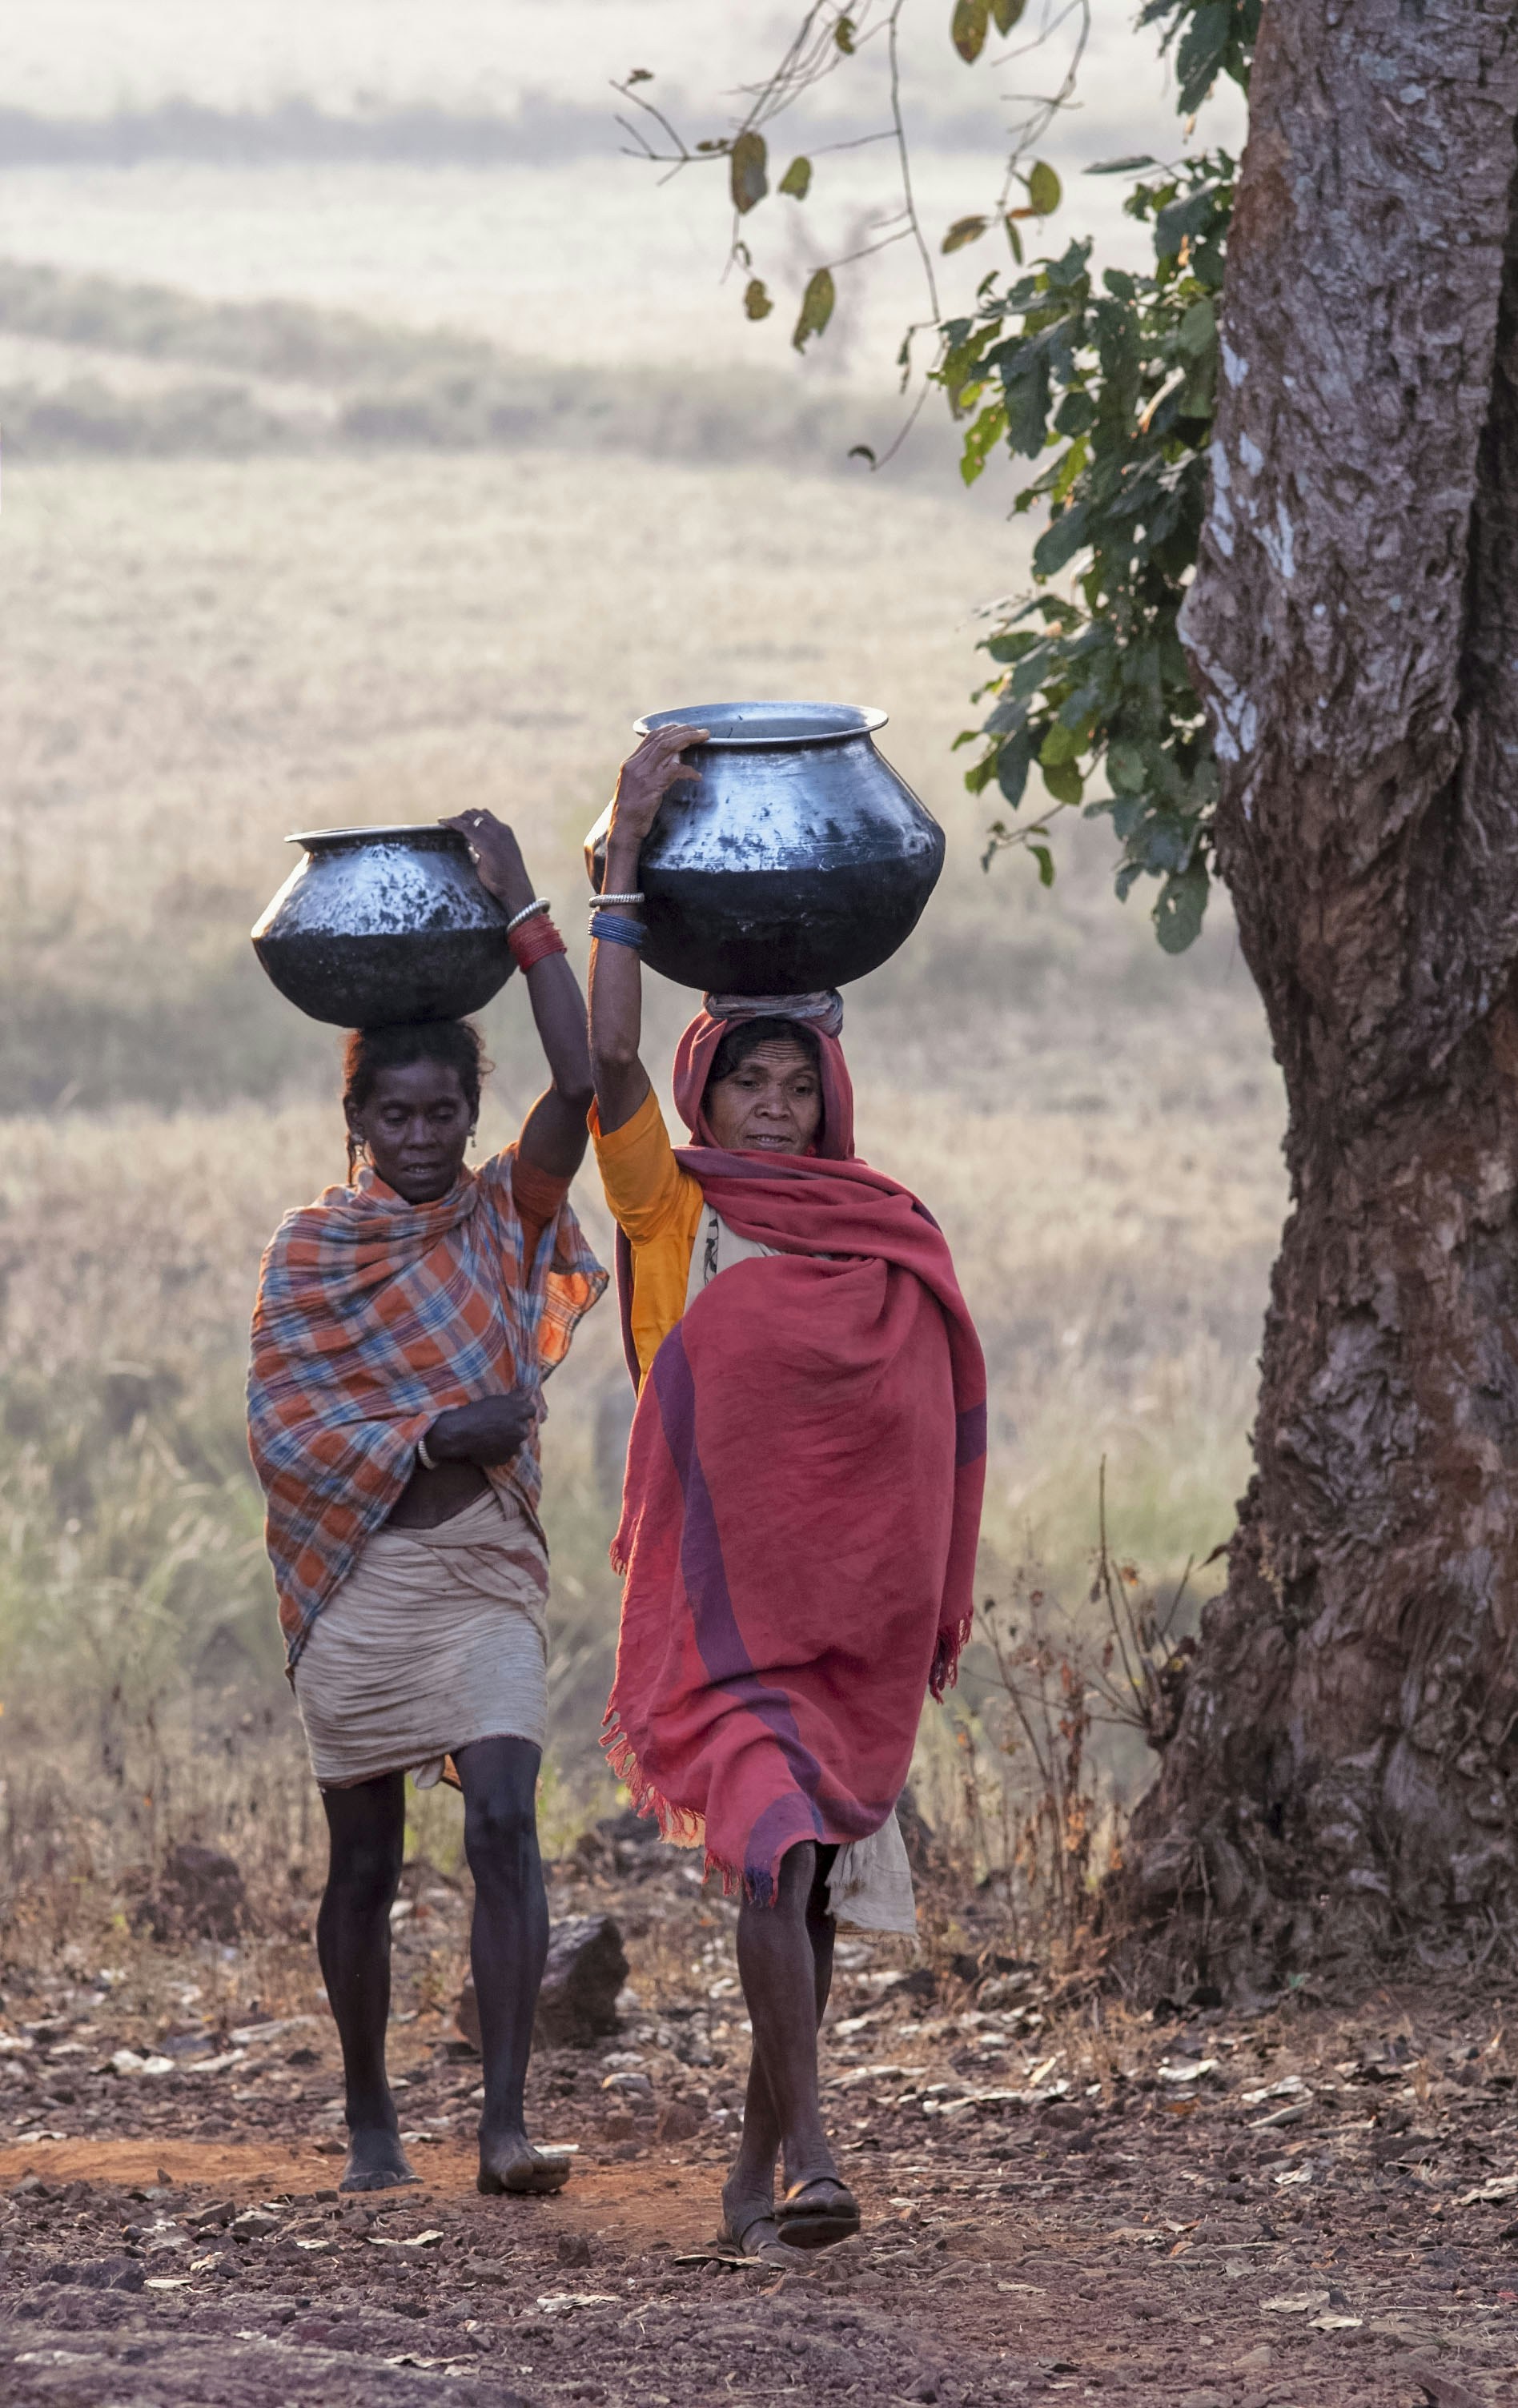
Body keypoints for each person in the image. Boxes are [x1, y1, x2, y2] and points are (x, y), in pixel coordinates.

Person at [584, 724, 987, 2258]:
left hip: (856, 1628)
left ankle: (754, 2180)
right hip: (723, 1620)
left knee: (804, 1889)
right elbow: (609, 1061)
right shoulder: (670, 1205)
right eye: (744, 1082)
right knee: (772, 1848)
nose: (771, 1106)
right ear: (708, 1093)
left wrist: (918, 1593)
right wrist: (622, 861)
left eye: (793, 1084)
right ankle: (815, 2154)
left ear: (830, 1099)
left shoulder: (889, 1230)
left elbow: (930, 1426)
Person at [247, 809, 606, 2197]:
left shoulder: (501, 1213)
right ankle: (367, 2119)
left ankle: (506, 2124)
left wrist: (526, 909)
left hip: (479, 1578)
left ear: (470, 1114)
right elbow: (288, 1429)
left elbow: (585, 1081)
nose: (418, 1135)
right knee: (363, 1862)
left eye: (442, 1112)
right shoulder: (312, 1252)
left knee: (508, 1818)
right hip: (356, 1585)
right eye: (392, 1115)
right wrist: (439, 1426)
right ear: (353, 1123)